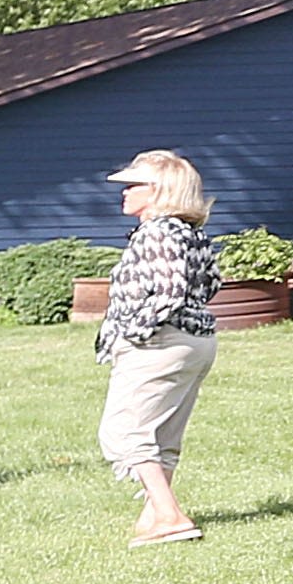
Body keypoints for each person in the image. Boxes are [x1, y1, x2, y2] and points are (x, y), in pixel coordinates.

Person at [94, 150, 218, 545]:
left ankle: (169, 516)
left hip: (160, 343)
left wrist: (131, 331)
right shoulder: (191, 233)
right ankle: (153, 518)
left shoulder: (158, 232)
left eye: (134, 184)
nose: (125, 192)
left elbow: (169, 291)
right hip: (196, 341)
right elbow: (212, 283)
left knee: (124, 433)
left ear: (160, 191)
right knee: (162, 436)